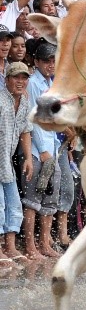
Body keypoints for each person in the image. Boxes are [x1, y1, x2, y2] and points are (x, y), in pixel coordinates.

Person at [22, 41, 60, 259]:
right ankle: (30, 246)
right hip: (38, 149)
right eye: (46, 61)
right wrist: (44, 150)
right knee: (32, 198)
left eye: (53, 60)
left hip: (52, 145)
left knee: (50, 197)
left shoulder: (51, 82)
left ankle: (44, 243)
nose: (51, 64)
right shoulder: (33, 83)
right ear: (36, 62)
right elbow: (32, 119)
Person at [0, 62, 32, 265]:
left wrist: (28, 157)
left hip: (6, 162)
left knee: (14, 204)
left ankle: (10, 248)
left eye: (24, 78)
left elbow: (25, 130)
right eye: (15, 77)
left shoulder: (25, 103)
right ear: (7, 80)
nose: (20, 82)